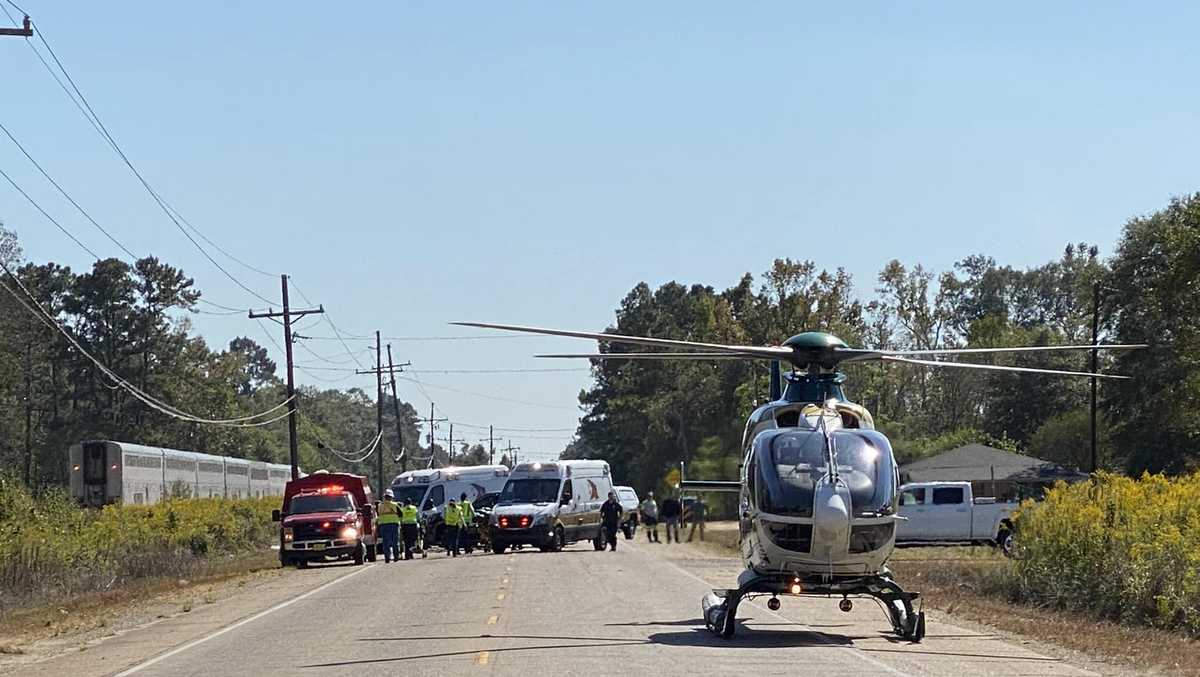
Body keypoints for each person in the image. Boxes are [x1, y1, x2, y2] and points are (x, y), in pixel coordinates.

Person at [376, 490, 402, 563]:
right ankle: (396, 557)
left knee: (385, 542)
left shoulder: (380, 505)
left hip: (383, 525)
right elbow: (401, 514)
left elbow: (378, 514)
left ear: (384, 497)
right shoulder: (395, 505)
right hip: (394, 524)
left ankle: (387, 558)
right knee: (395, 542)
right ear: (391, 497)